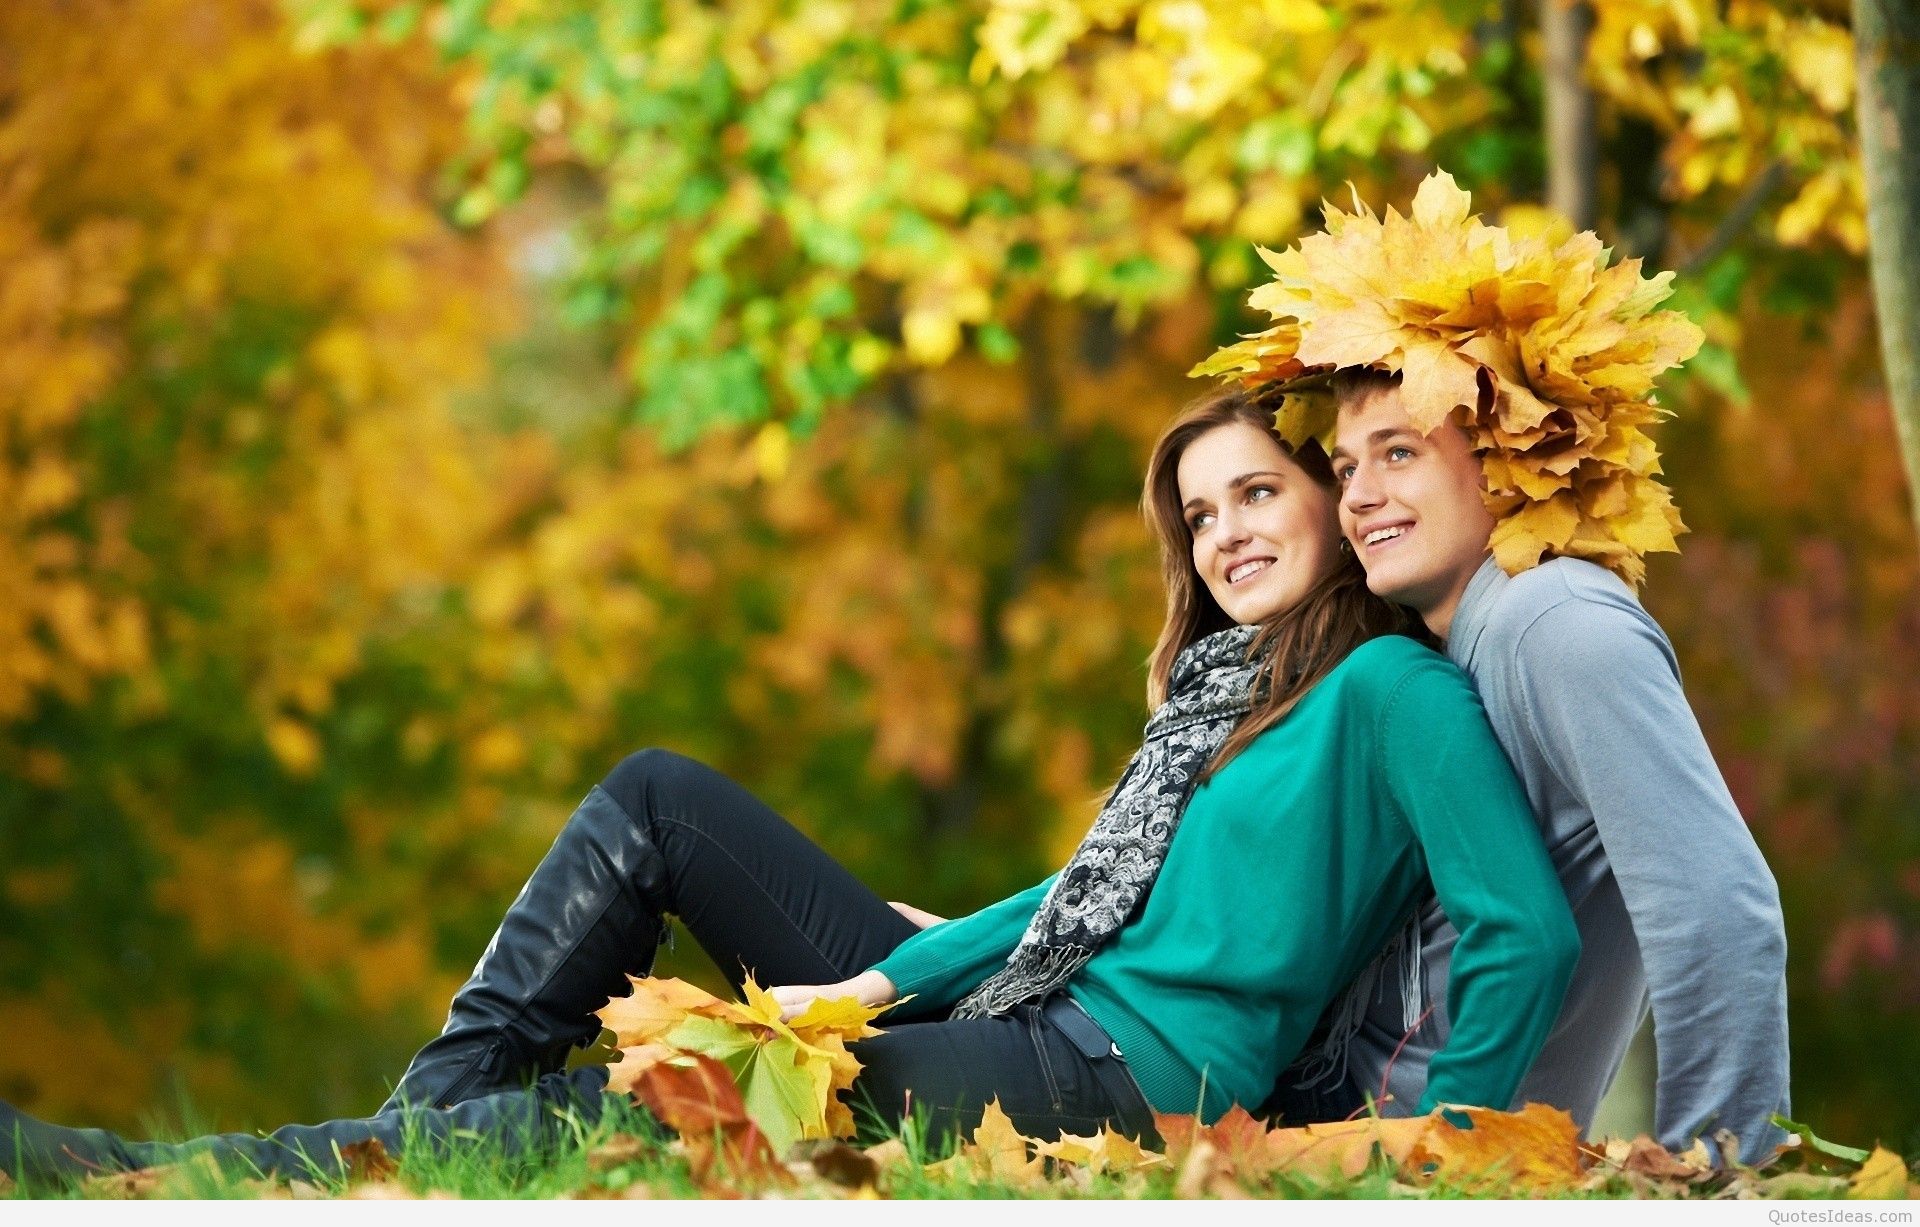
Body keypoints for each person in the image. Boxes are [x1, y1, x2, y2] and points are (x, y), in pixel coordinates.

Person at [0, 387, 1581, 1187]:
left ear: (1331, 498)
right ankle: (418, 1133)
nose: (1230, 528)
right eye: (1200, 509)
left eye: (1261, 490)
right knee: (659, 796)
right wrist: (886, 971)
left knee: (664, 1101)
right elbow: (1087, 893)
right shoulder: (1232, 696)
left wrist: (1424, 1157)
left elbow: (1529, 929)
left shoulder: (1384, 688)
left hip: (1119, 1076)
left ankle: (249, 1168)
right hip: (1040, 1005)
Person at [1192, 170, 1791, 1165]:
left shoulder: (1556, 622)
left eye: (1400, 453)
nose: (1360, 497)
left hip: (1400, 1145)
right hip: (1297, 1095)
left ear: (1507, 455)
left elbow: (1718, 911)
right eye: (1347, 468)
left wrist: (1720, 1178)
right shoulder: (1451, 645)